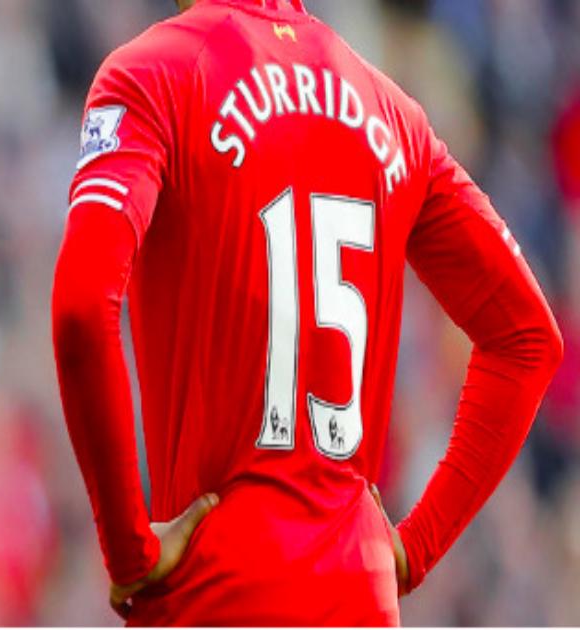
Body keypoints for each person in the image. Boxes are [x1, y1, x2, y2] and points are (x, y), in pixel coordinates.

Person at [51, 0, 563, 624]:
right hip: (358, 592)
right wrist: (414, 546)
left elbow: (82, 305)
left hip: (218, 588)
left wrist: (128, 549)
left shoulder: (152, 74)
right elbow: (526, 337)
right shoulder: (392, 112)